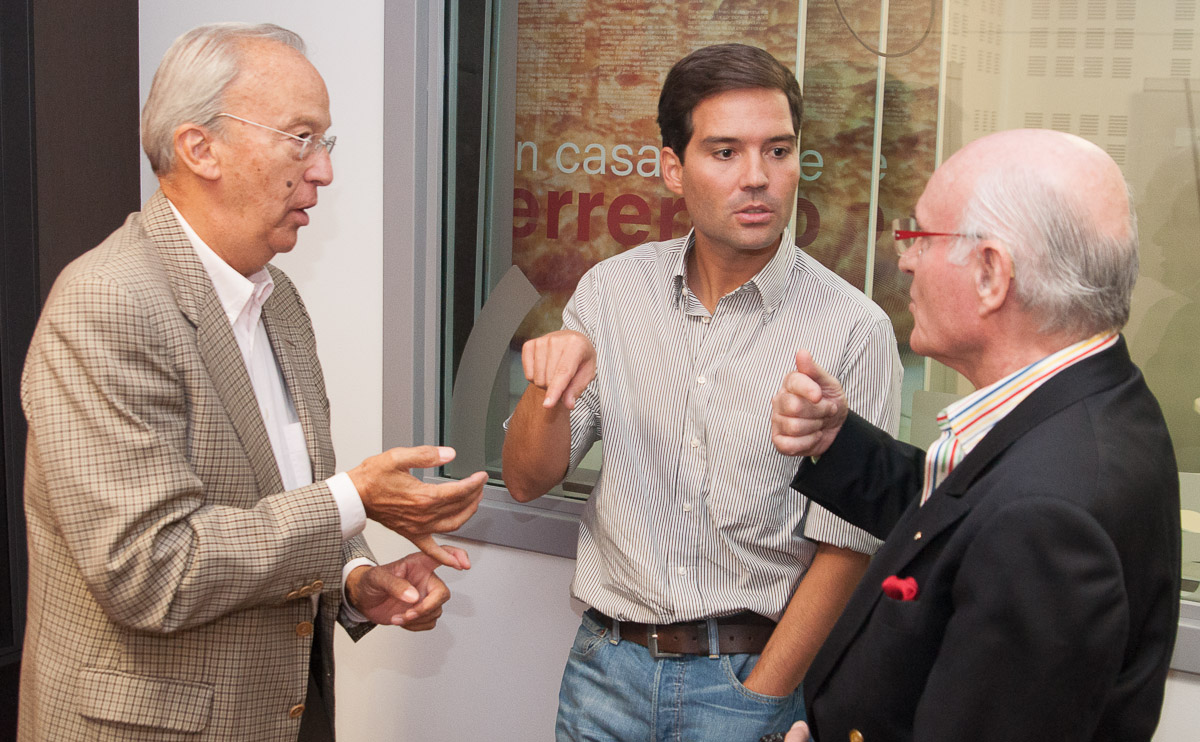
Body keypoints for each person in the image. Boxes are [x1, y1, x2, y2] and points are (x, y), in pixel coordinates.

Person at [17, 23, 487, 742]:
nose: (324, 171)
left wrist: (356, 583)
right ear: (199, 148)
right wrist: (354, 500)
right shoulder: (108, 302)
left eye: (325, 142)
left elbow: (283, 502)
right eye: (301, 139)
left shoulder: (279, 301)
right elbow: (151, 570)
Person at [502, 43, 901, 741]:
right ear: (672, 168)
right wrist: (548, 389)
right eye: (725, 152)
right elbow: (527, 480)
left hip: (750, 679)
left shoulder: (853, 328)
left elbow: (849, 549)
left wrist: (761, 692)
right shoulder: (612, 292)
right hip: (605, 671)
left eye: (778, 151)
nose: (758, 177)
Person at [771, 129, 1180, 741]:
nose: (905, 259)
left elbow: (1008, 522)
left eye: (920, 236)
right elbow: (965, 524)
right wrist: (838, 442)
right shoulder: (1092, 403)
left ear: (991, 273)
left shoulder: (1046, 520)